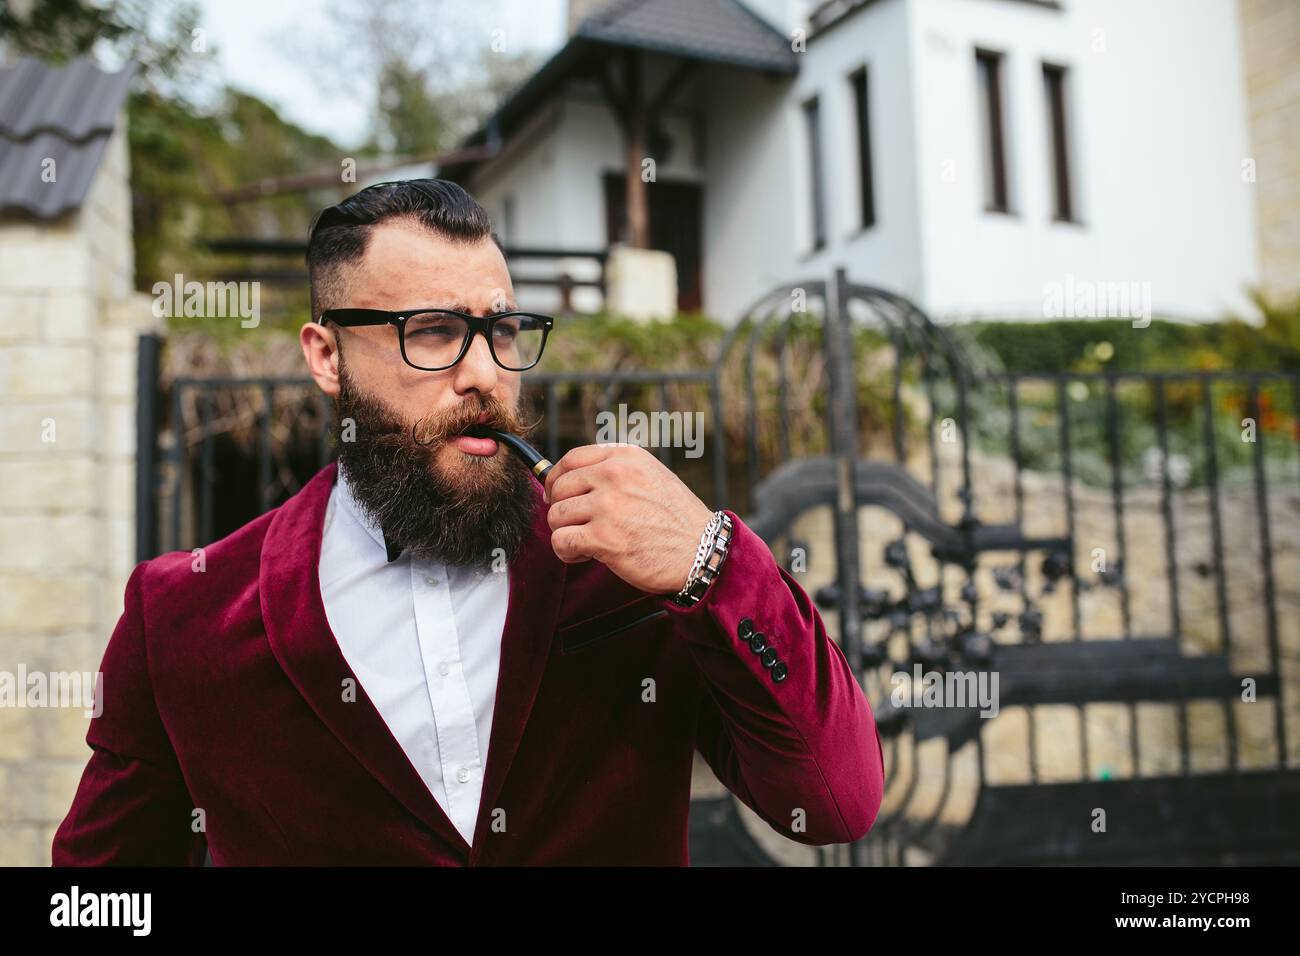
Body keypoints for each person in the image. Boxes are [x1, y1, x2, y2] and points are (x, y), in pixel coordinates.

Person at [52, 179, 884, 865]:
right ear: (326, 356)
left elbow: (836, 802)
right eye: (435, 333)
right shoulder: (183, 614)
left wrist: (715, 561)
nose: (485, 373)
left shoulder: (624, 567)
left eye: (503, 331)